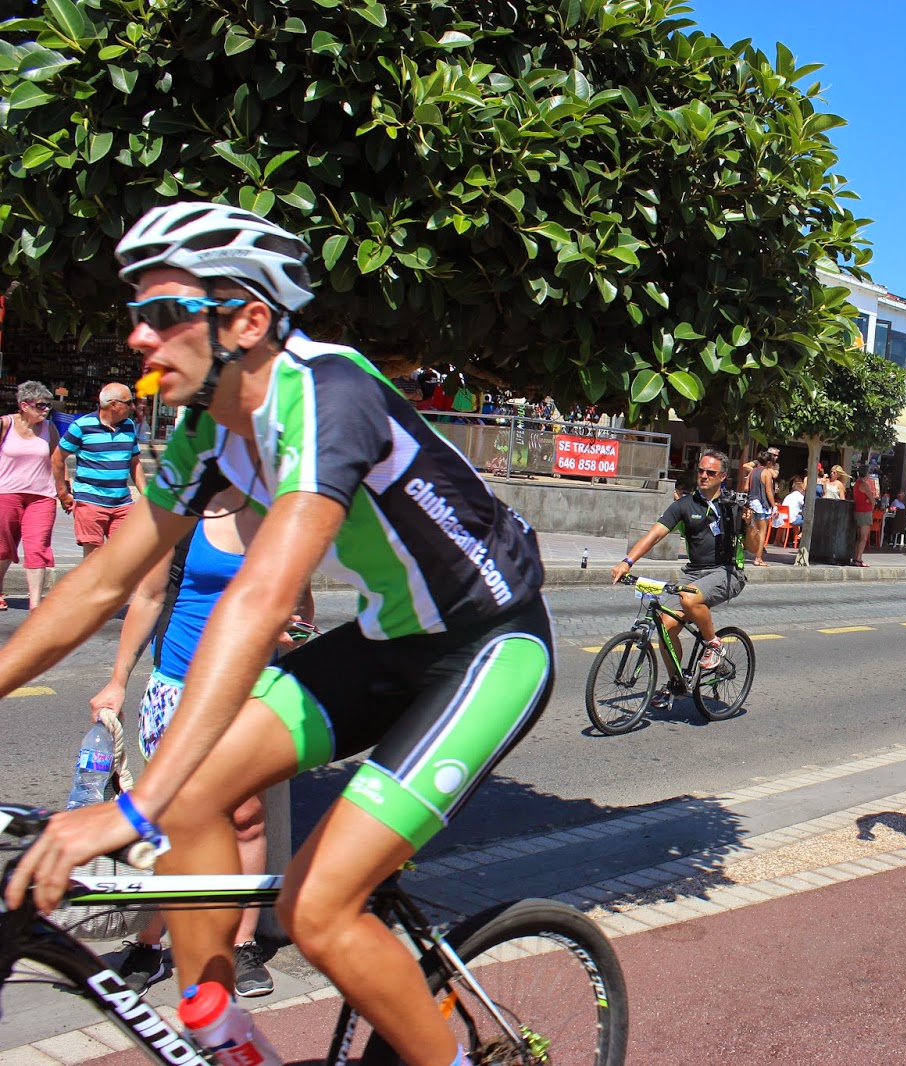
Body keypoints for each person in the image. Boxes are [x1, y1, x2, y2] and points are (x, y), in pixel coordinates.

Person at [1, 200, 555, 1066]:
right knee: (192, 797)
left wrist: (129, 808)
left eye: (165, 312)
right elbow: (103, 581)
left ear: (249, 320)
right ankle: (222, 1036)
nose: (140, 338)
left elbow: (262, 599)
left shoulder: (330, 393)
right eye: (135, 315)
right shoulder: (207, 429)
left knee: (316, 908)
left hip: (486, 648)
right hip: (387, 642)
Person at [93, 487, 314, 996]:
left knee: (245, 819)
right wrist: (117, 679)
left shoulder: (289, 519)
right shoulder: (188, 511)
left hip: (250, 690)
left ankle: (241, 945)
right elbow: (147, 598)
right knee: (172, 819)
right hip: (180, 688)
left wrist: (292, 632)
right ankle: (150, 942)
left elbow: (303, 615)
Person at [614, 449, 748, 709]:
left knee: (689, 598)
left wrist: (750, 523)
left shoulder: (732, 505)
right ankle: (676, 682)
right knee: (666, 626)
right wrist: (627, 561)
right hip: (694, 573)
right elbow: (655, 534)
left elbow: (754, 544)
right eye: (700, 471)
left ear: (722, 476)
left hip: (727, 572)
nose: (704, 476)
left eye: (710, 472)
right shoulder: (685, 505)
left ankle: (713, 644)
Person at [53, 381, 145, 559]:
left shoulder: (129, 426)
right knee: (94, 557)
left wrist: (146, 493)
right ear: (113, 405)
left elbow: (135, 462)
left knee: (123, 555)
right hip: (90, 500)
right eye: (128, 402)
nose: (132, 407)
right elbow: (57, 458)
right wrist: (63, 492)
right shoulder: (81, 426)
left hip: (122, 502)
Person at [0, 381, 62, 609]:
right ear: (24, 405)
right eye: (41, 405)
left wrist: (63, 490)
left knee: (38, 547)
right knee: (3, 547)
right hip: (6, 493)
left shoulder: (50, 429)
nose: (46, 410)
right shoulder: (5, 424)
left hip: (42, 496)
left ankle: (35, 603)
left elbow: (57, 461)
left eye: (48, 405)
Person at [740, 448, 778, 567]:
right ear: (768, 463)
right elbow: (768, 491)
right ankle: (758, 558)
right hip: (761, 503)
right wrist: (774, 506)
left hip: (751, 502)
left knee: (751, 528)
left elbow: (746, 488)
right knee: (763, 532)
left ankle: (748, 550)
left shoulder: (753, 471)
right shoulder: (766, 472)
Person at [849, 464, 878, 567]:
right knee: (864, 537)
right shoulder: (864, 485)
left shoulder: (857, 484)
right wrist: (870, 501)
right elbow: (872, 500)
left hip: (858, 511)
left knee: (859, 537)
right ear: (867, 473)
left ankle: (856, 557)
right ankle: (859, 558)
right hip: (865, 512)